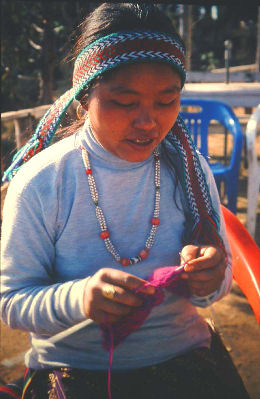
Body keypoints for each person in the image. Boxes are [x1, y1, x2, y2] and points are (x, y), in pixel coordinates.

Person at [0, 3, 250, 399]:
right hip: (75, 370)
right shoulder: (42, 182)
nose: (148, 121)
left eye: (166, 101)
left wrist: (210, 276)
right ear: (84, 97)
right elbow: (11, 300)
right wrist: (79, 298)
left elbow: (213, 291)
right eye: (124, 101)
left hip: (185, 360)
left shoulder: (188, 168)